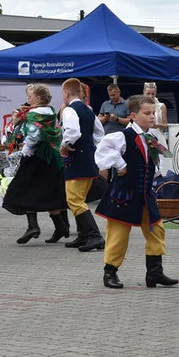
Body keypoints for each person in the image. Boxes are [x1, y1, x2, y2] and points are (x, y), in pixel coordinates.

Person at [95, 94, 176, 289]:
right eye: (146, 113)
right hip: (124, 195)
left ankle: (154, 273)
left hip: (145, 195)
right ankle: (110, 272)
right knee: (118, 234)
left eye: (153, 113)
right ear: (133, 115)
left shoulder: (150, 136)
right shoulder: (123, 136)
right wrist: (120, 164)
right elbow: (102, 151)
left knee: (156, 229)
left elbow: (151, 161)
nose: (151, 116)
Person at [2, 84, 71, 244]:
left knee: (22, 188)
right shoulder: (50, 112)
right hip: (52, 158)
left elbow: (33, 136)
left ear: (39, 98)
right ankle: (59, 226)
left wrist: (25, 151)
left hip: (36, 157)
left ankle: (33, 226)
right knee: (47, 192)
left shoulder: (34, 115)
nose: (28, 100)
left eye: (30, 96)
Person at [60, 78, 106, 252]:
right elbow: (99, 133)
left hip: (76, 159)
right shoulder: (88, 110)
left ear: (66, 92)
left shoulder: (70, 110)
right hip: (88, 157)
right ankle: (83, 235)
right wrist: (91, 147)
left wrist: (65, 145)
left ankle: (95, 236)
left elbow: (72, 132)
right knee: (81, 198)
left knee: (74, 199)